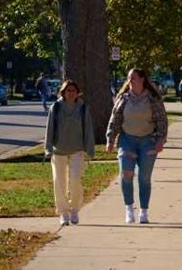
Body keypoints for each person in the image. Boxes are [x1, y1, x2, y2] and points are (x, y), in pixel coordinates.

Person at [106, 68, 168, 224]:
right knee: (126, 174)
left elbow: (162, 121)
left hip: (148, 141)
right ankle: (129, 208)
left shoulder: (153, 99)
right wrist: (110, 139)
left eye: (133, 78)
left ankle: (144, 211)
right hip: (127, 140)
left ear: (142, 79)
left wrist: (160, 140)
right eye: (129, 78)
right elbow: (115, 119)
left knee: (144, 178)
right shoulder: (123, 98)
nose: (130, 81)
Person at [44, 79, 95, 226]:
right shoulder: (56, 107)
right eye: (68, 91)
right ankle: (63, 212)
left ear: (77, 92)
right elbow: (50, 129)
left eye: (73, 90)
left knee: (75, 181)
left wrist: (89, 149)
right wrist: (48, 148)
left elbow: (88, 129)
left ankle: (74, 210)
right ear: (63, 92)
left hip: (77, 151)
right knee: (59, 183)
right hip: (58, 151)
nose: (71, 93)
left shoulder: (83, 107)